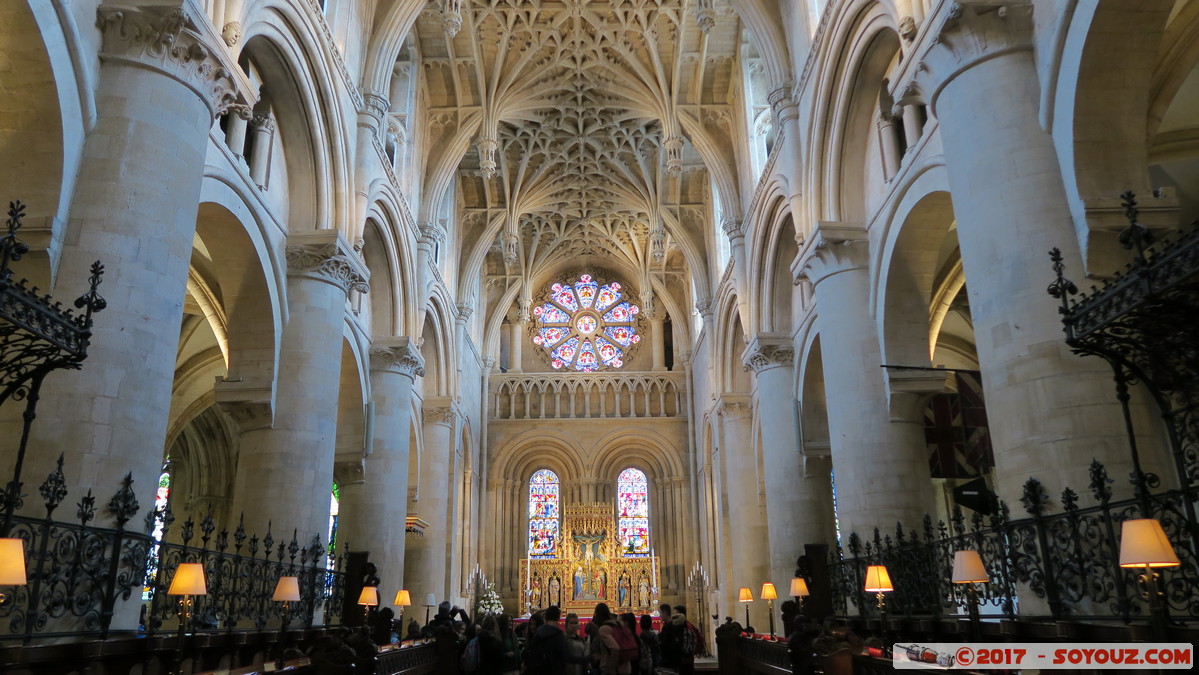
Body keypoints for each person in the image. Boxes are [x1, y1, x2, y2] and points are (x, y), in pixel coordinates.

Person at [525, 605, 589, 675]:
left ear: (546, 617)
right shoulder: (558, 634)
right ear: (558, 618)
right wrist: (588, 659)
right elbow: (567, 657)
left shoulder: (538, 632)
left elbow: (531, 652)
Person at [660, 605, 703, 675]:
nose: (673, 617)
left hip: (684, 660)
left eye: (675, 614)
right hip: (685, 660)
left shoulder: (684, 627)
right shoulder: (687, 625)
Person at [589, 602, 629, 675]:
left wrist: (609, 667)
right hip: (625, 666)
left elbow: (615, 648)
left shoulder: (604, 628)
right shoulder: (618, 624)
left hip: (614, 670)